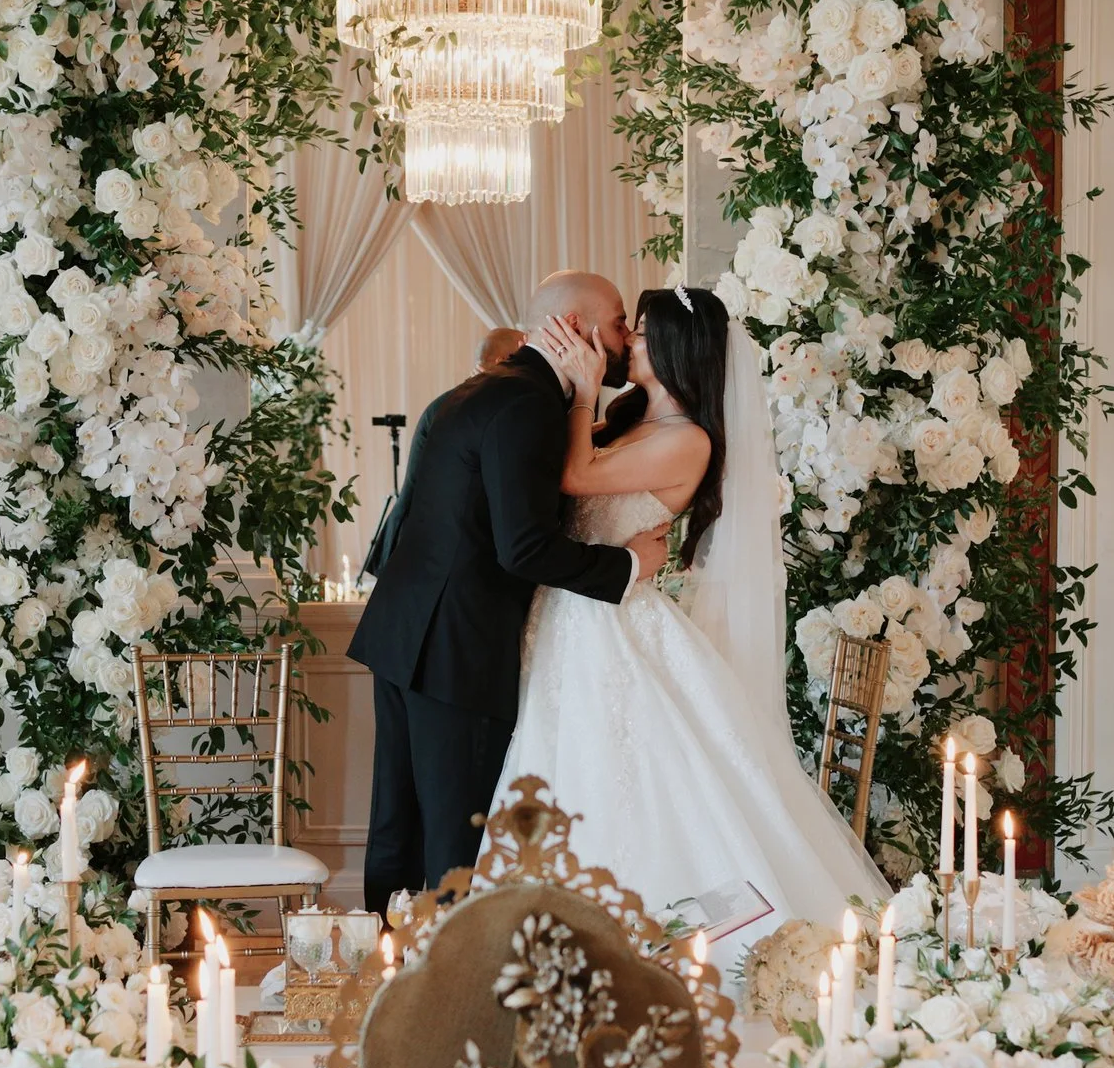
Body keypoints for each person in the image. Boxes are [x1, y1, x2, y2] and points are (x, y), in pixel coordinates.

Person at [494, 286, 891, 963]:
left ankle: (661, 943)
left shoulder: (689, 441)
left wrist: (584, 389)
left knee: (629, 775)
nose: (628, 343)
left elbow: (574, 477)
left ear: (678, 347)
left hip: (615, 627)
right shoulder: (631, 420)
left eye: (643, 334)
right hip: (570, 616)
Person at [349, 272, 672, 912]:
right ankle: (444, 989)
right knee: (453, 833)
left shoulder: (478, 390)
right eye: (615, 323)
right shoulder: (529, 406)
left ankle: (382, 968)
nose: (624, 338)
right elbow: (522, 547)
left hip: (405, 631)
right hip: (457, 648)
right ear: (576, 329)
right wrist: (628, 565)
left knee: (398, 821)